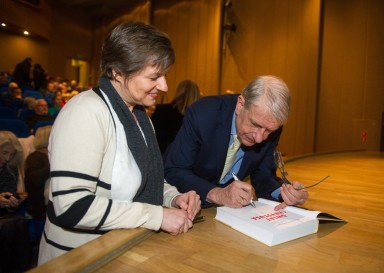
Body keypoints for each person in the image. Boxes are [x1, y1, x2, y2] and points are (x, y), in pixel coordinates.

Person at [38, 21, 201, 265]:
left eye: (165, 75)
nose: (164, 86)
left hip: (122, 249)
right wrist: (156, 216)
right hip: (80, 260)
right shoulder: (85, 112)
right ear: (118, 71)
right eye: (154, 77)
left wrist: (173, 198)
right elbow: (71, 206)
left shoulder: (140, 117)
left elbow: (142, 180)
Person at [164, 75, 309, 210]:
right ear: (240, 104)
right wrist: (217, 194)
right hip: (187, 204)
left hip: (231, 211)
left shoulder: (270, 125)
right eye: (255, 124)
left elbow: (264, 175)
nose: (259, 138)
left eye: (268, 131)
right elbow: (175, 170)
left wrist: (284, 193)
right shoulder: (203, 114)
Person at [151, 79, 201, 154]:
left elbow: (152, 139)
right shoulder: (200, 117)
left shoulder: (161, 111)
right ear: (197, 94)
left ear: (178, 92)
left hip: (162, 158)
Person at [0, 131, 27, 215]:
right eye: (4, 153)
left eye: (12, 155)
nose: (8, 158)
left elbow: (8, 210)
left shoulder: (10, 168)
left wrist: (13, 202)